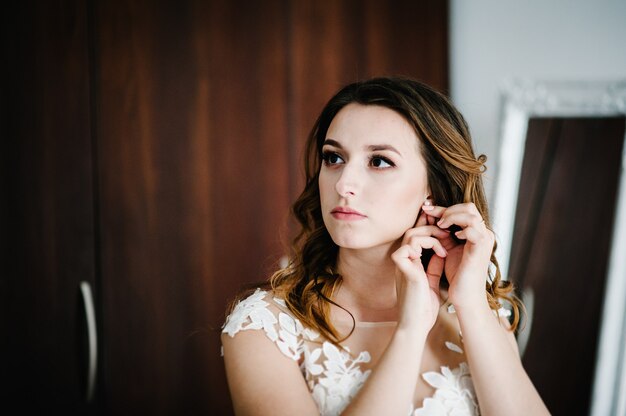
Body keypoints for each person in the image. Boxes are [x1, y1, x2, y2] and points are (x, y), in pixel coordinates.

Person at [221, 77, 549, 415]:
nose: (344, 183)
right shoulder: (263, 327)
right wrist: (409, 331)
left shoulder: (481, 314)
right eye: (334, 158)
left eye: (379, 161)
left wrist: (471, 304)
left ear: (431, 189)